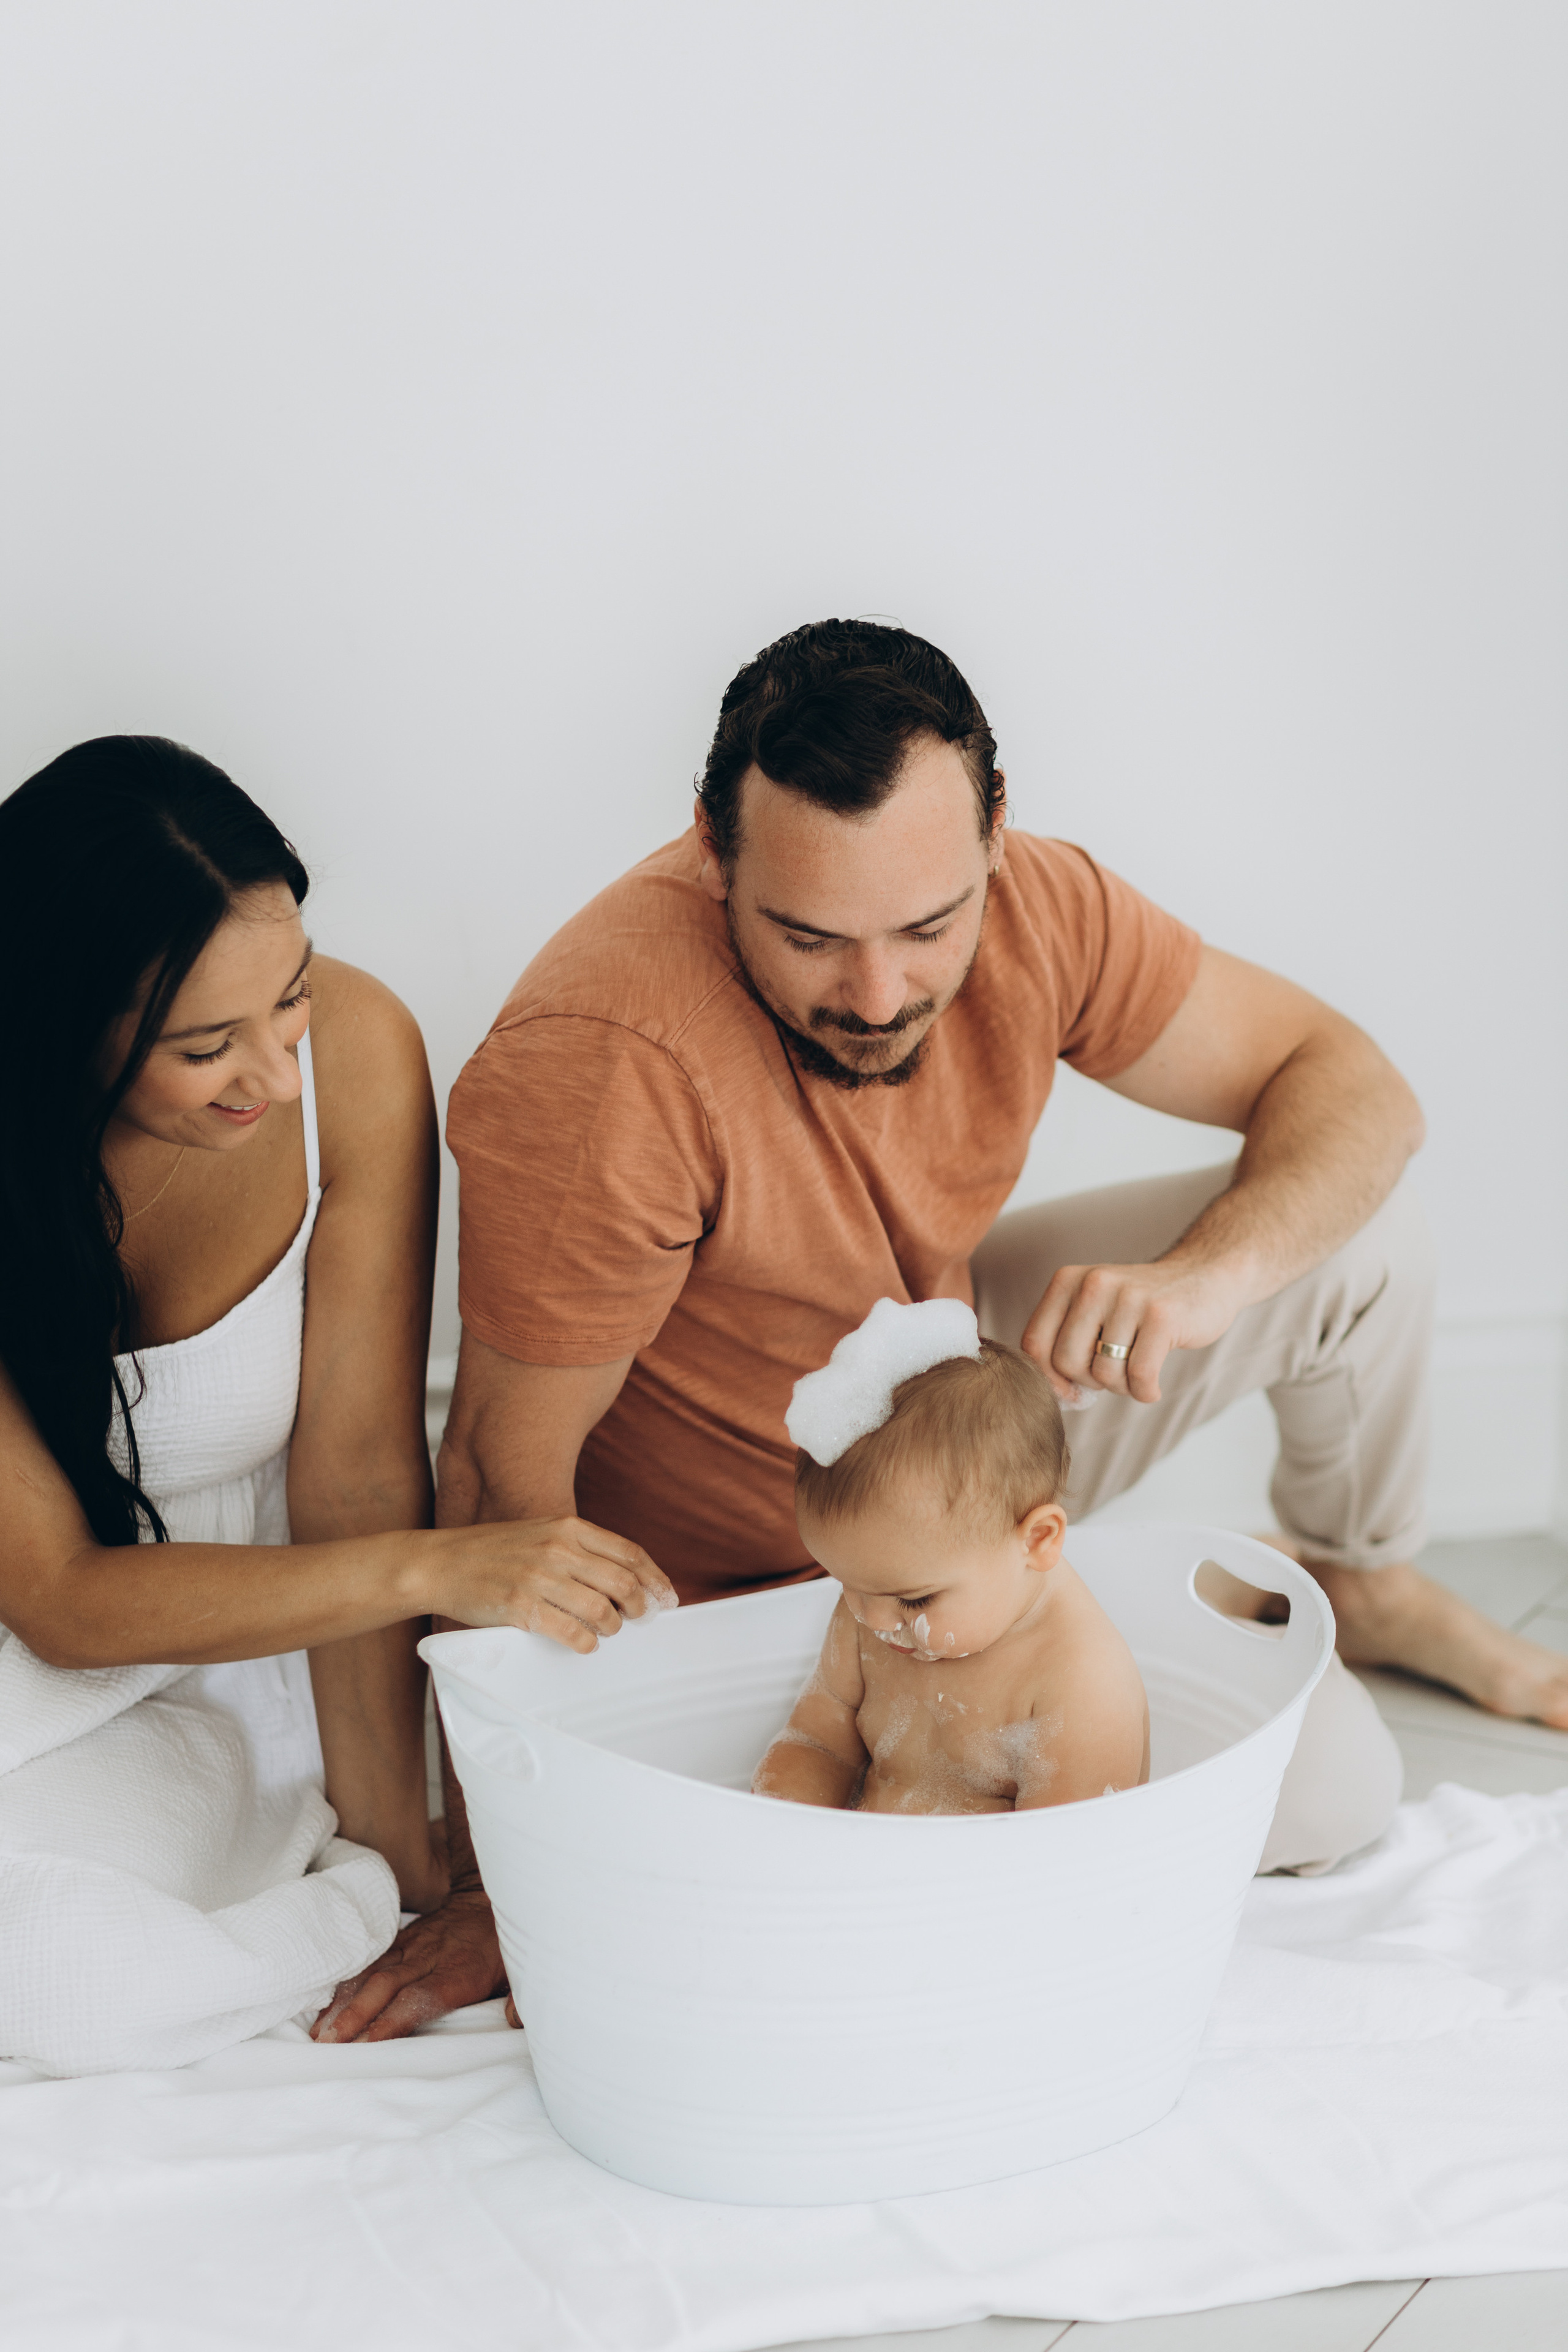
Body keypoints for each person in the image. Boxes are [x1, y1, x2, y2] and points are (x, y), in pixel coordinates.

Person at [424, 615, 1567, 2010]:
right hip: (766, 1559)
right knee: (1325, 1786)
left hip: (956, 1413)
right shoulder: (605, 1059)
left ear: (992, 839)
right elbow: (496, 1478)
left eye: (927, 925)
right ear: (711, 854)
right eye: (806, 936)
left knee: (1357, 1236)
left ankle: (1362, 1574)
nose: (877, 993)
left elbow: (1349, 1082)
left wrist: (1198, 1276)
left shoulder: (1036, 902)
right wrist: (499, 1872)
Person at [0, 737, 673, 2068]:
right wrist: (449, 1565)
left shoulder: (360, 1055)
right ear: (64, 1023)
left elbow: (357, 1474)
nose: (277, 1076)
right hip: (45, 1664)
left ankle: (322, 1893)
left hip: (255, 1669)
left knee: (77, 1980)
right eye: (206, 1046)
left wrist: (407, 1859)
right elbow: (62, 1602)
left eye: (287, 1001)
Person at [752, 1298, 1150, 1815]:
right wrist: (782, 1830)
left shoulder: (1081, 1681)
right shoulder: (877, 1599)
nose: (870, 1618)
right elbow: (817, 1744)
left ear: (1036, 1541)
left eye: (914, 1601)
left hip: (985, 1893)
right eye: (844, 1584)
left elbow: (1062, 1866)